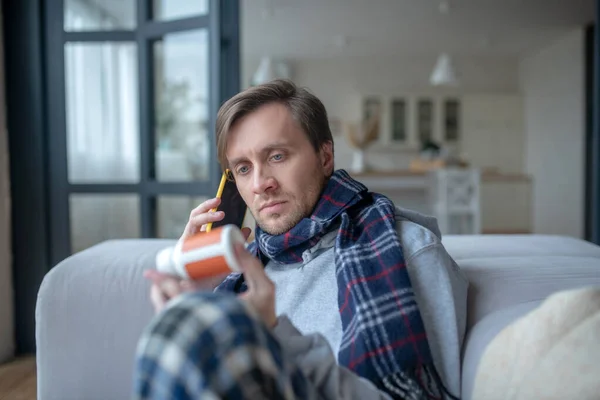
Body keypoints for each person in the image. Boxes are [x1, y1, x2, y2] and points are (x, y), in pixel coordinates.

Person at [135, 79, 469, 400]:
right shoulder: (238, 274)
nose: (260, 184)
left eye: (276, 156)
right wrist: (202, 296)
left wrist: (269, 329)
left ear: (325, 158)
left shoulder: (406, 251)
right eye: (242, 168)